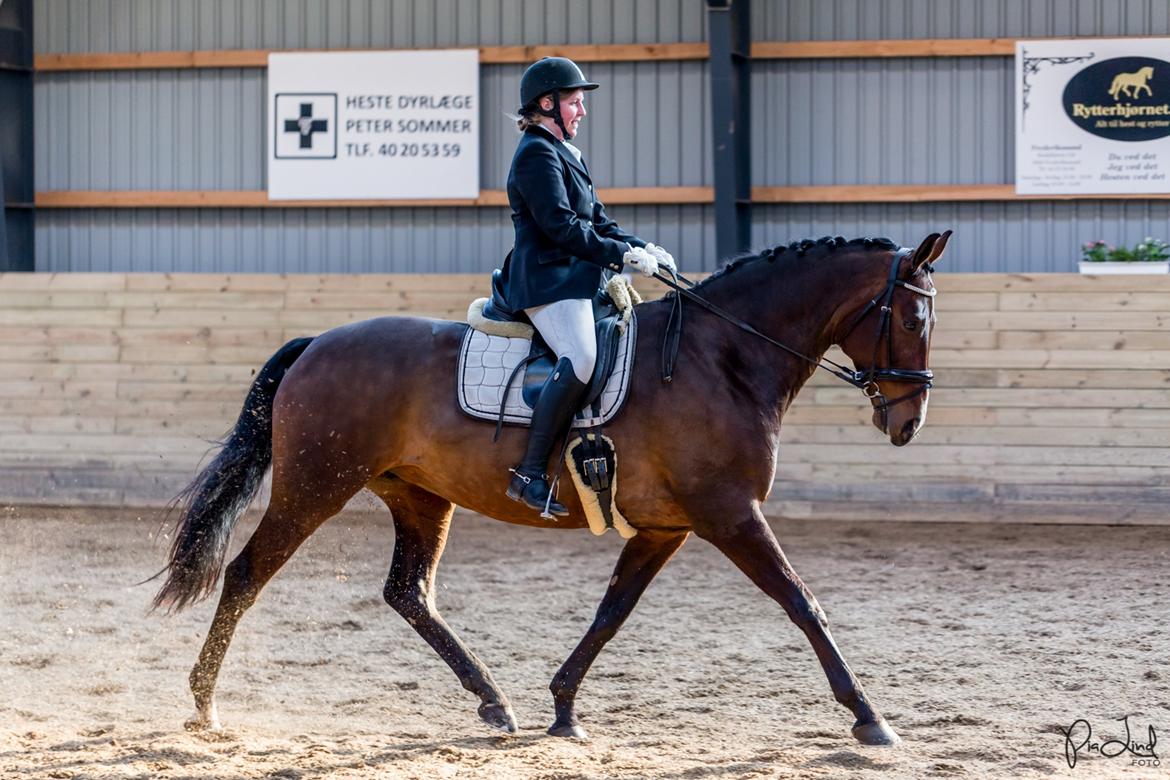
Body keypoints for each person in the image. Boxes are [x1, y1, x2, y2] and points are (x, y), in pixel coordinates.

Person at [497, 56, 677, 517]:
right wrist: (619, 256)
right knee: (581, 358)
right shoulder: (536, 153)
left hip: (578, 279)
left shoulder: (568, 154)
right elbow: (560, 227)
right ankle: (529, 472)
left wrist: (643, 248)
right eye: (575, 102)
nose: (582, 111)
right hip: (547, 282)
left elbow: (598, 221)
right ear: (547, 103)